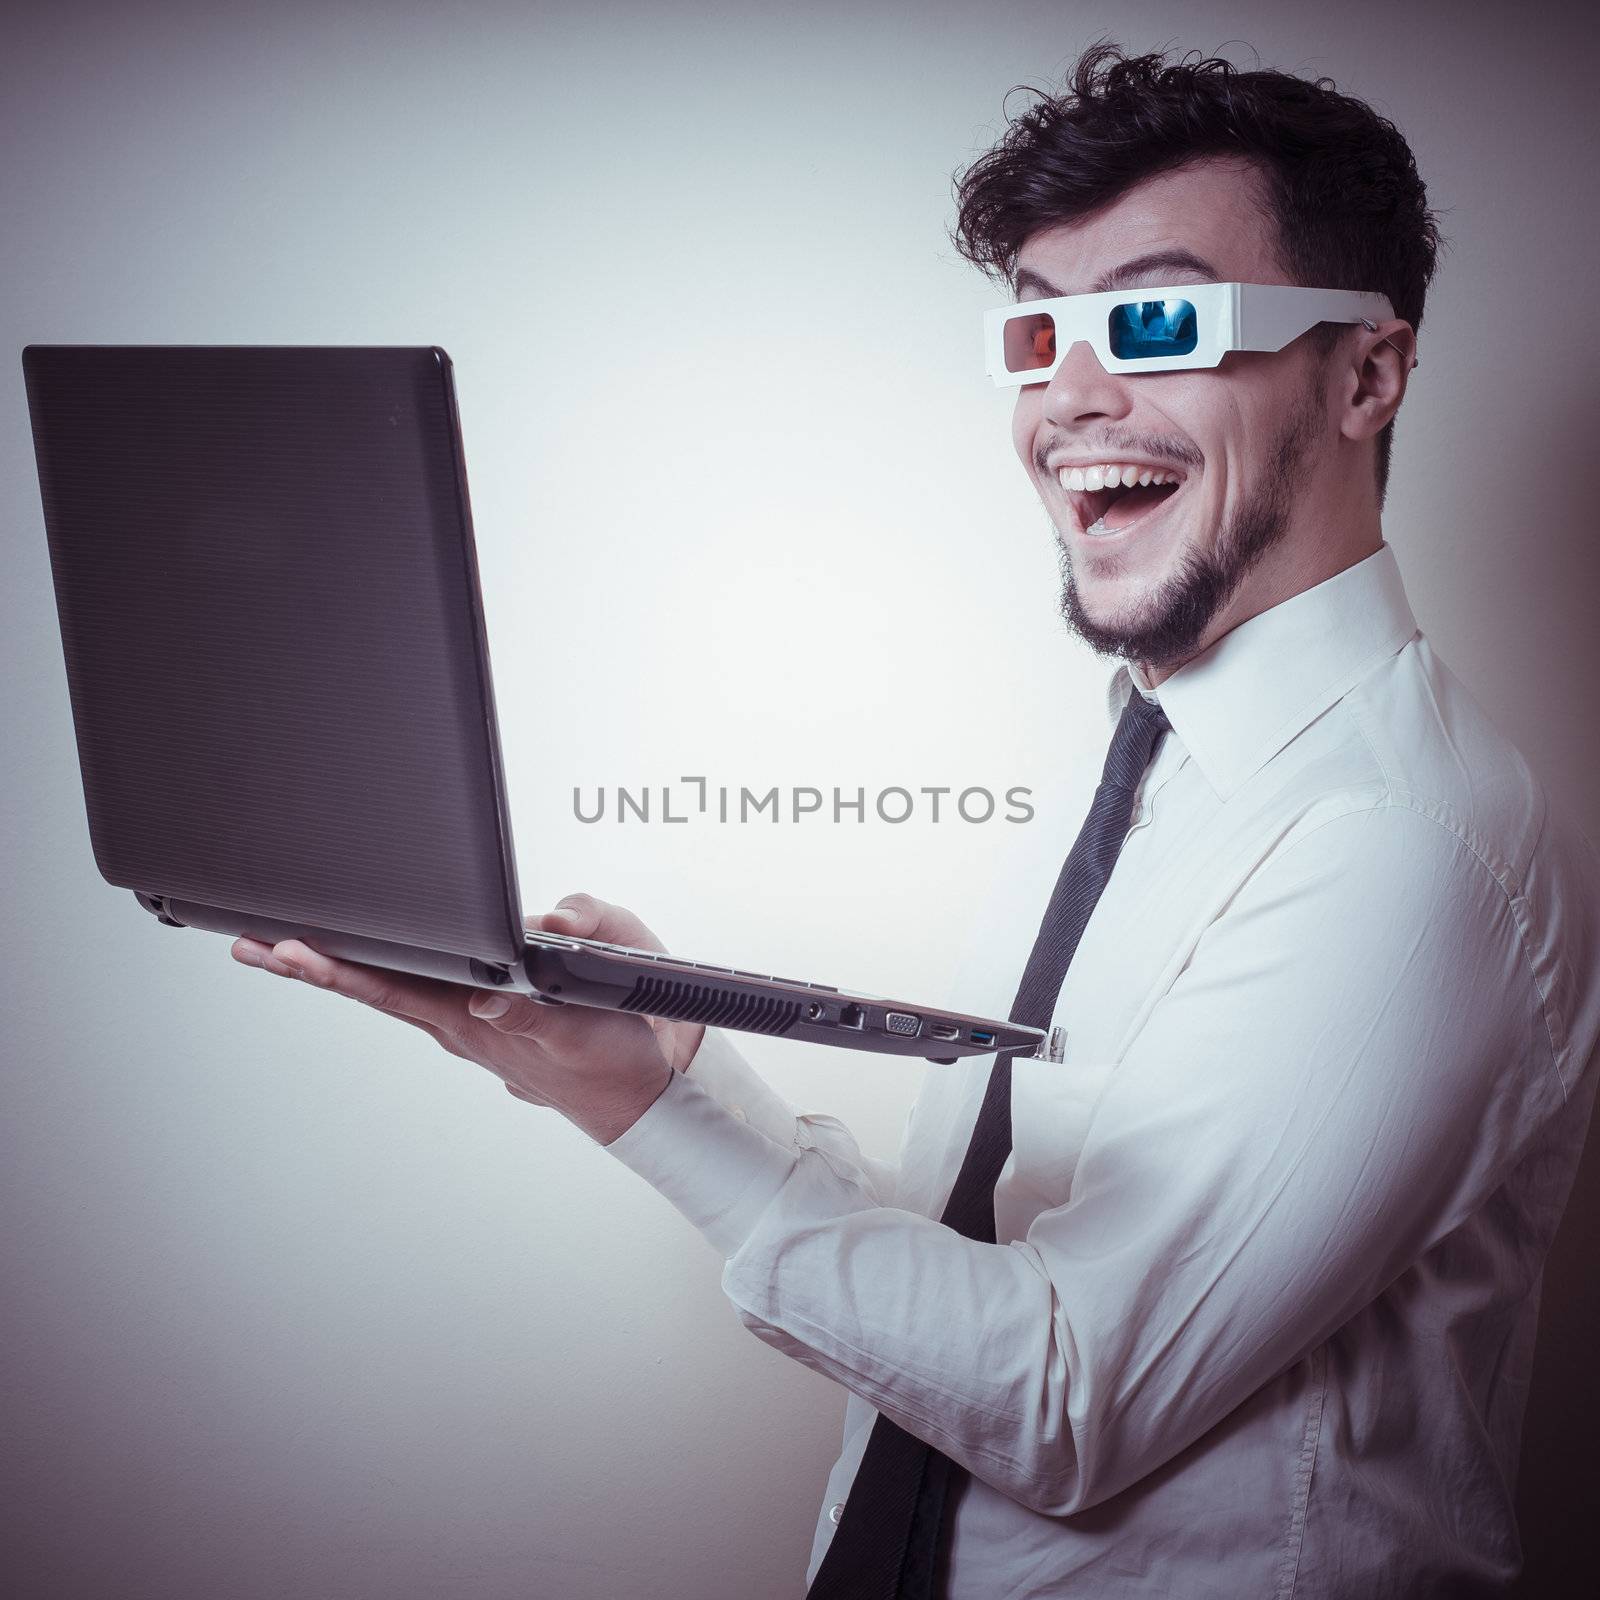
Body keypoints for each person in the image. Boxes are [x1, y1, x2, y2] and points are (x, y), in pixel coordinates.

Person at [231, 42, 1600, 1599]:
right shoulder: (1147, 761)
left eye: (1154, 320)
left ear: (1364, 375)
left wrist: (643, 1126)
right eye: (1039, 327)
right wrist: (651, 1077)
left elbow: (1062, 1396)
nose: (1070, 398)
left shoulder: (1407, 851)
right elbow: (998, 1290)